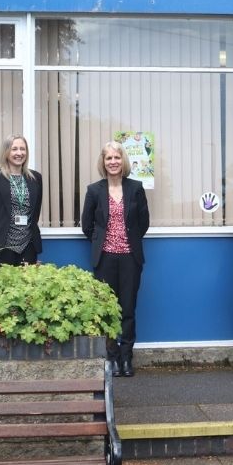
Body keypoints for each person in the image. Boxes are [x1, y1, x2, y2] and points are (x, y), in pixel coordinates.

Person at [81, 141, 150, 378]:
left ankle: (127, 358)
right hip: (105, 259)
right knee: (107, 310)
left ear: (123, 161)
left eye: (117, 158)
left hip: (130, 258)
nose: (113, 162)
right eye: (109, 158)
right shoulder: (94, 190)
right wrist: (104, 243)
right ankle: (112, 358)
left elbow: (143, 223)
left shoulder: (136, 188)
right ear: (103, 162)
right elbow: (87, 226)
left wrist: (126, 242)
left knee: (128, 309)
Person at [0, 136, 43, 266]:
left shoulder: (35, 178)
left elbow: (35, 213)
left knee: (26, 285)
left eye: (22, 149)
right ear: (6, 152)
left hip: (28, 246)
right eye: (14, 149)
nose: (19, 153)